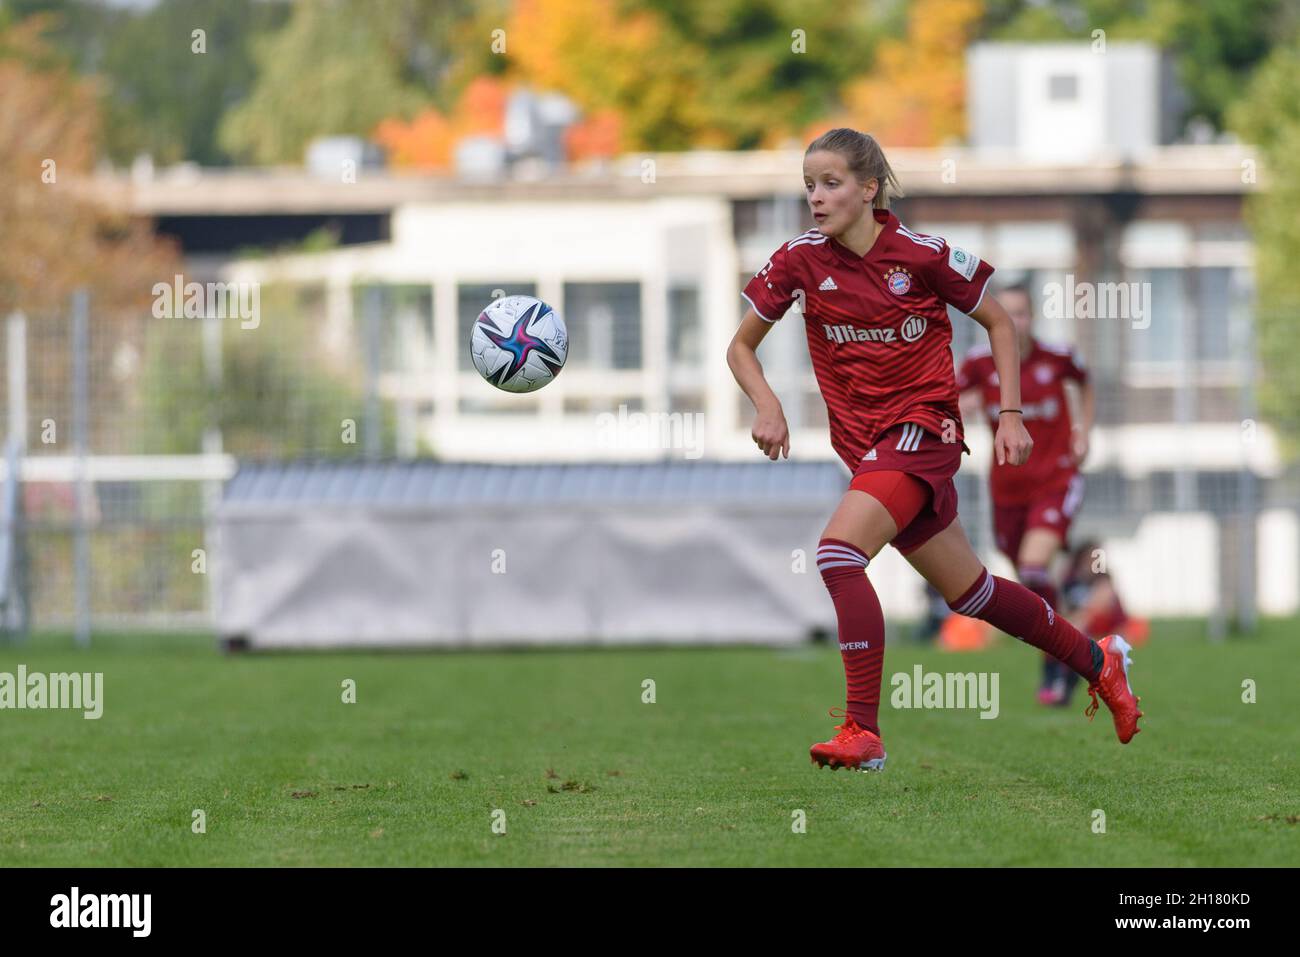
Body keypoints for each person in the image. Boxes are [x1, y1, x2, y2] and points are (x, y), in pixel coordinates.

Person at [725, 128, 1143, 772]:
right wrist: (769, 406)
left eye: (830, 183)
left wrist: (1008, 415)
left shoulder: (919, 254)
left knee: (838, 557)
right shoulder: (798, 260)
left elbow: (999, 321)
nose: (816, 197)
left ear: (869, 189)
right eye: (809, 185)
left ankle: (862, 731)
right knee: (972, 595)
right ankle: (1098, 662)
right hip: (867, 448)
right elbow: (740, 347)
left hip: (923, 431)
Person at [956, 283, 1095, 707]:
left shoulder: (1058, 357)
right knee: (1030, 594)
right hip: (1006, 491)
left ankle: (1060, 663)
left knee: (1034, 569)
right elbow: (950, 399)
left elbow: (1087, 383)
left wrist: (1083, 431)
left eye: (1021, 313)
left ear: (1033, 316)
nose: (1015, 322)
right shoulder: (979, 364)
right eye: (1007, 313)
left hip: (1055, 481)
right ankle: (1072, 653)